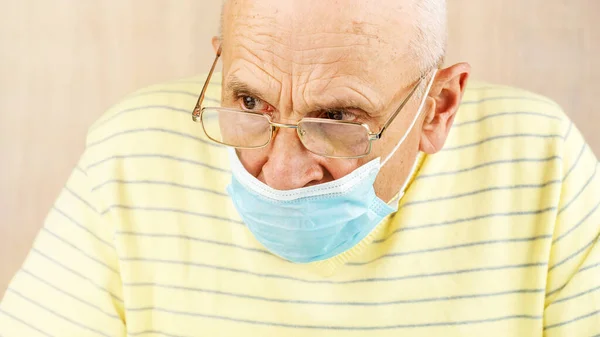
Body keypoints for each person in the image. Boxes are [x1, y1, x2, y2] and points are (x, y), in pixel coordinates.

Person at [1, 0, 598, 335]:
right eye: (250, 103)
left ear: (438, 109)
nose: (282, 176)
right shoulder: (131, 150)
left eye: (337, 118)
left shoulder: (539, 159)